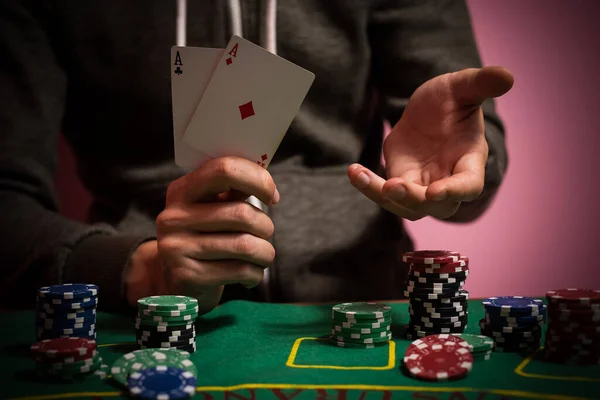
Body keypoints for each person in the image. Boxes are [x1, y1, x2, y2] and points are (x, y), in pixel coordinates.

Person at [0, 0, 513, 315]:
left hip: (359, 306)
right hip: (138, 319)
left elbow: (467, 169)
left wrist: (459, 169)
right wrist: (137, 270)